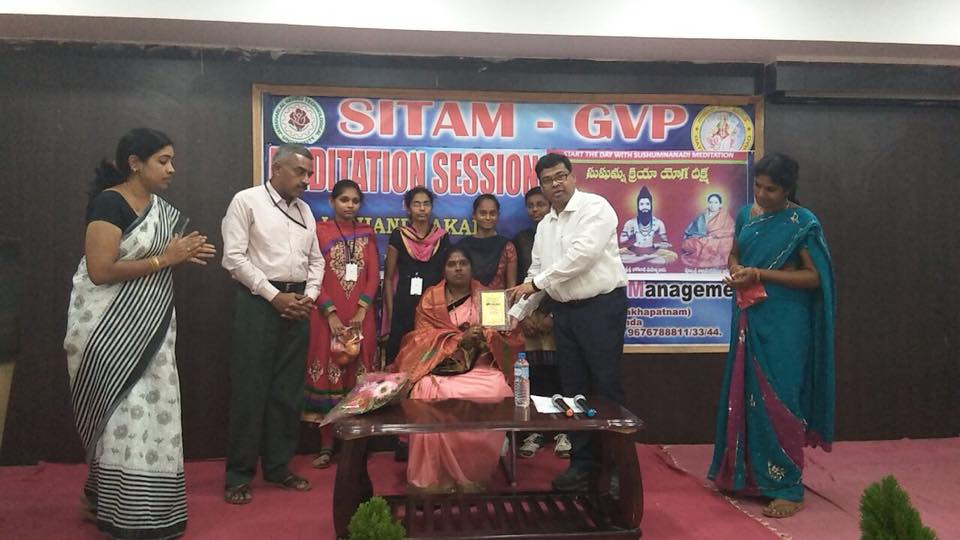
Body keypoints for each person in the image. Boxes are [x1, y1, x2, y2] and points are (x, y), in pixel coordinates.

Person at [65, 128, 216, 539]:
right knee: (124, 418)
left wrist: (180, 253)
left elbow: (158, 256)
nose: (172, 168)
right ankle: (125, 513)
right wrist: (165, 259)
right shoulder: (109, 203)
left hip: (151, 330)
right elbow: (100, 271)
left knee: (152, 415)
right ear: (135, 163)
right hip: (107, 330)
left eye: (172, 160)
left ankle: (108, 499)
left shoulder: (159, 210)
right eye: (163, 161)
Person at [708, 153, 835, 519]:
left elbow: (814, 277)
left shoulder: (802, 222)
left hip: (786, 321)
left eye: (772, 190)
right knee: (746, 392)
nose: (762, 195)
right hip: (750, 314)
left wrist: (760, 274)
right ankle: (746, 477)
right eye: (758, 187)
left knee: (781, 396)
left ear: (788, 189)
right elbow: (735, 254)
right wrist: (737, 270)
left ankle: (787, 487)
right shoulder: (746, 215)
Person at [508, 153, 628, 492]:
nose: (556, 184)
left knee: (605, 388)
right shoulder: (546, 225)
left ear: (573, 177)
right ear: (541, 186)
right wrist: (514, 315)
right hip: (565, 313)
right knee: (573, 390)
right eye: (548, 180)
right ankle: (583, 464)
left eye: (561, 176)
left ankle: (616, 467)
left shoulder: (595, 208)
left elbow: (581, 258)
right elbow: (536, 272)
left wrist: (535, 284)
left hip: (600, 308)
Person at [221, 144, 325, 504]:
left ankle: (279, 467)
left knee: (287, 392)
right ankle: (238, 475)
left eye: (309, 174)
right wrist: (273, 296)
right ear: (276, 168)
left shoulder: (305, 210)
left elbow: (317, 261)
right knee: (250, 391)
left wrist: (309, 296)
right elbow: (234, 259)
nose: (306, 180)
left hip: (298, 306)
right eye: (300, 172)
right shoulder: (247, 201)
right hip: (258, 304)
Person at [395, 247, 520, 493]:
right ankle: (435, 478)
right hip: (441, 367)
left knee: (497, 389)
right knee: (426, 389)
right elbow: (421, 339)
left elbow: (506, 337)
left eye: (463, 263)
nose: (458, 268)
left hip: (480, 366)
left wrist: (484, 336)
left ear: (472, 268)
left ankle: (472, 474)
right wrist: (458, 340)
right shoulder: (431, 299)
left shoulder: (487, 296)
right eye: (452, 264)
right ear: (444, 270)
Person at [302, 180, 379, 469]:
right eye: (344, 199)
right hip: (326, 319)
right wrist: (331, 314)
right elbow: (313, 275)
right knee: (328, 375)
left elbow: (373, 276)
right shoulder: (319, 231)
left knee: (357, 379)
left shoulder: (367, 232)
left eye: (355, 201)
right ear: (332, 202)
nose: (350, 205)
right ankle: (326, 445)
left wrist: (361, 311)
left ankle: (355, 446)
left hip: (361, 318)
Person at [512, 187, 568, 459]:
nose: (535, 210)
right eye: (531, 205)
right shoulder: (521, 239)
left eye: (540, 204)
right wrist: (524, 315)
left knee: (562, 373)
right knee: (534, 374)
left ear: (550, 206)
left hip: (557, 314)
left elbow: (564, 277)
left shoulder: (563, 235)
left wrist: (552, 316)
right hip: (529, 315)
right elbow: (522, 279)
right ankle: (535, 431)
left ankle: (564, 431)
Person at [383, 187, 450, 365]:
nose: (422, 208)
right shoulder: (399, 235)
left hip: (432, 306)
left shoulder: (442, 237)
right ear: (408, 208)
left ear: (431, 207)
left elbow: (446, 277)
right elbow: (388, 278)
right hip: (403, 305)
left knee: (428, 357)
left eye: (426, 204)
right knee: (399, 358)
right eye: (416, 204)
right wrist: (391, 312)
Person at [457, 194, 518, 289]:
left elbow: (511, 286)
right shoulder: (462, 247)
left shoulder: (507, 247)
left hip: (499, 298)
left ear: (498, 215)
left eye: (492, 213)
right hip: (470, 297)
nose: (488, 217)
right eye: (483, 213)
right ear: (474, 215)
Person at [619, 186, 678, 265]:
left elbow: (665, 243)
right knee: (615, 255)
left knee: (673, 256)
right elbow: (622, 240)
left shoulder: (659, 223)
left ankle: (639, 259)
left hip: (652, 250)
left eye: (647, 204)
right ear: (638, 206)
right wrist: (630, 235)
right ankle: (645, 258)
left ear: (651, 206)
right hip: (633, 250)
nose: (644, 207)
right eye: (642, 204)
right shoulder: (630, 223)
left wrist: (659, 244)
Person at [680, 193, 736, 269]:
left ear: (720, 204)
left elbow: (730, 231)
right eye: (710, 202)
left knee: (728, 243)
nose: (713, 205)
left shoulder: (725, 216)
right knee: (688, 243)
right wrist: (700, 236)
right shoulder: (701, 215)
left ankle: (710, 261)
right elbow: (691, 230)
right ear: (708, 203)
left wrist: (714, 236)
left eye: (716, 202)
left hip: (718, 239)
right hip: (701, 238)